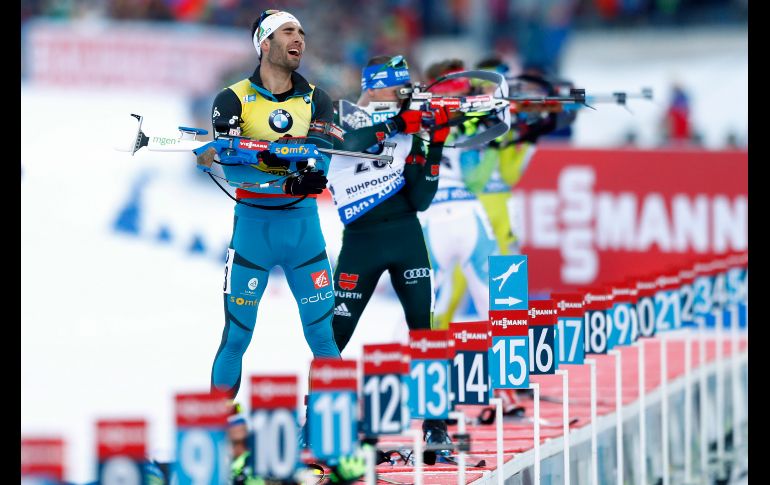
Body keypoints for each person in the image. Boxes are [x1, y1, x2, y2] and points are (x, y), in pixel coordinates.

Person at [196, 9, 342, 400]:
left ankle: (331, 427)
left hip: (303, 234)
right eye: (288, 31)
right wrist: (282, 173)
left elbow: (320, 165)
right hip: (252, 233)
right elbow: (234, 170)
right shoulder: (231, 99)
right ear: (265, 43)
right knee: (236, 337)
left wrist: (301, 173)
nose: (299, 39)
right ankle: (218, 426)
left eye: (302, 32)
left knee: (323, 337)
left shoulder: (318, 99)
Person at [325, 55, 454, 453]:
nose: (402, 94)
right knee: (334, 335)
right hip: (360, 242)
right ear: (375, 85)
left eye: (405, 88)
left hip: (406, 237)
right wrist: (398, 124)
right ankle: (319, 418)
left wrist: (434, 146)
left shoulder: (407, 125)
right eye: (397, 87)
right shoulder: (341, 114)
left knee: (423, 331)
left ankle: (436, 426)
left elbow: (421, 199)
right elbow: (348, 144)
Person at [418, 58, 500, 329]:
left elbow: (475, 181)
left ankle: (513, 359)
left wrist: (491, 140)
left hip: (467, 212)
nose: (462, 93)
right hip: (430, 218)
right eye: (454, 88)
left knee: (501, 301)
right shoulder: (413, 117)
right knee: (423, 308)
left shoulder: (469, 122)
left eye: (463, 89)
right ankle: (404, 357)